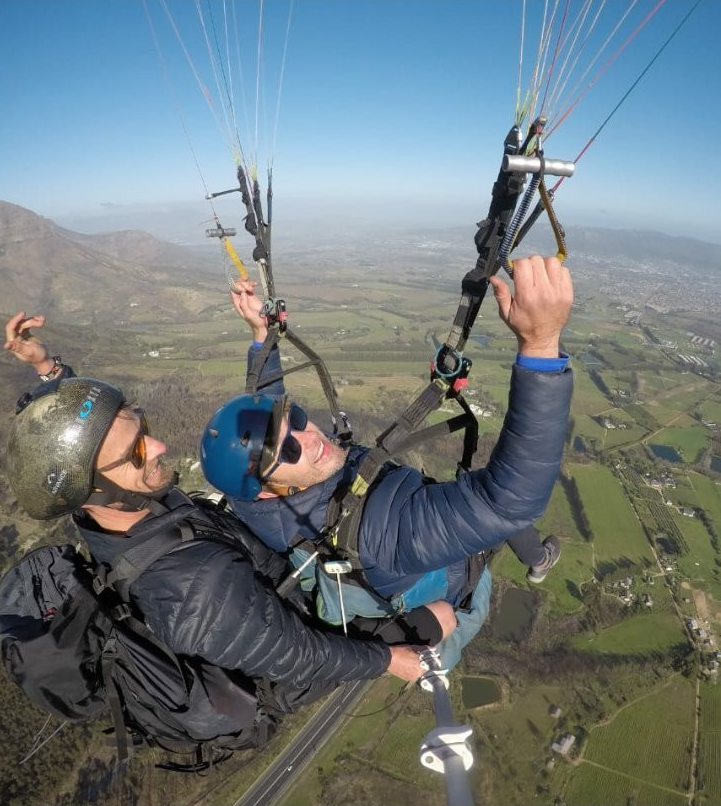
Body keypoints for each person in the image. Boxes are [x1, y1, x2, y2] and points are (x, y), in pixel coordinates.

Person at [0, 312, 433, 725]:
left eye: (143, 428)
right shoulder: (191, 590)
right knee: (446, 611)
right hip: (301, 645)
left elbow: (89, 449)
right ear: (94, 491)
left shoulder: (121, 505)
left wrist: (50, 371)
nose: (158, 446)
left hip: (263, 582)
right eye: (137, 452)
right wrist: (389, 660)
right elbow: (299, 654)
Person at [201, 254, 573, 666]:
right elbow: (511, 499)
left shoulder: (251, 496)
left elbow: (265, 405)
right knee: (500, 513)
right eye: (288, 450)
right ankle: (538, 561)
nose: (310, 438)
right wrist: (540, 348)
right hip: (451, 579)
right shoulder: (382, 532)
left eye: (299, 420)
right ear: (268, 493)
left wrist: (261, 336)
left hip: (389, 547)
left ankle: (536, 558)